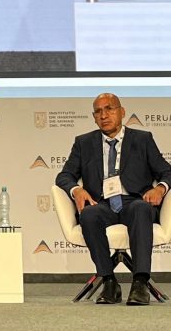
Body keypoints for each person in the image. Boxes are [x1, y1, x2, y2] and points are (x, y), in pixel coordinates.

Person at [56, 92, 171, 305]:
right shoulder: (83, 143)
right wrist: (76, 190)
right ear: (94, 117)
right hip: (102, 204)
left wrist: (160, 189)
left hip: (134, 201)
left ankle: (140, 282)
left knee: (141, 209)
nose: (104, 115)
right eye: (98, 112)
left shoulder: (142, 139)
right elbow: (64, 176)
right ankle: (109, 281)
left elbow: (167, 172)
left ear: (122, 112)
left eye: (109, 109)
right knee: (89, 215)